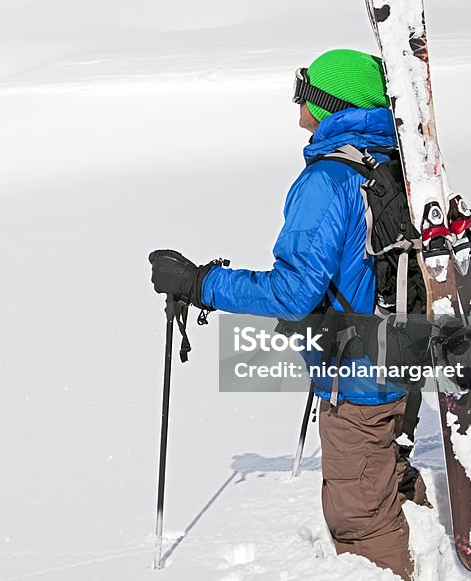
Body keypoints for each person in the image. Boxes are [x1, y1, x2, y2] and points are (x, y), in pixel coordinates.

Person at [149, 48, 427, 580]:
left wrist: (199, 283)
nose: (296, 100)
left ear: (327, 102)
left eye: (304, 88)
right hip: (403, 356)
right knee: (385, 474)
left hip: (359, 378)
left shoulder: (330, 180)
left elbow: (295, 293)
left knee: (360, 519)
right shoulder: (393, 163)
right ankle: (429, 547)